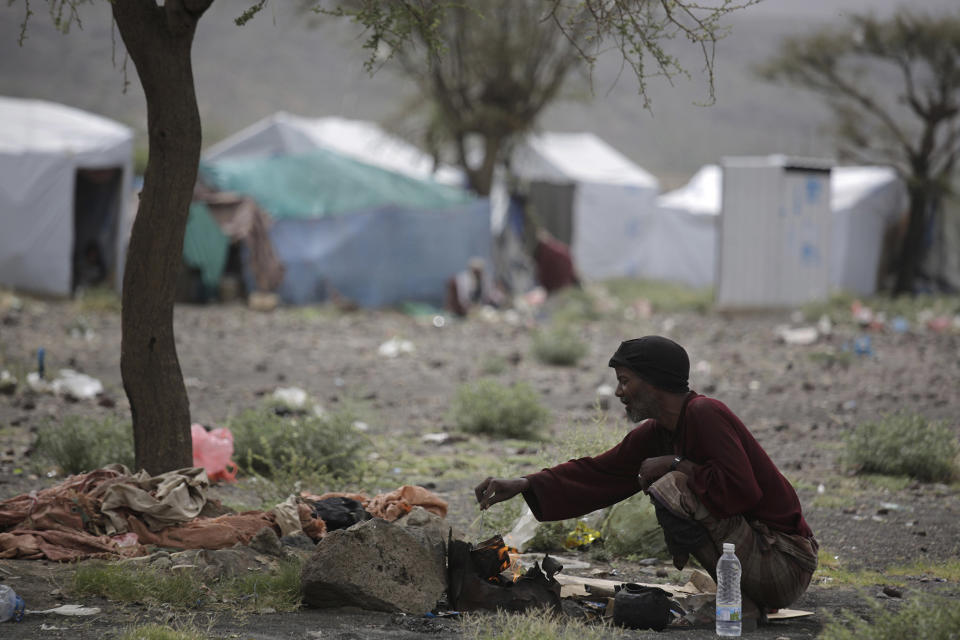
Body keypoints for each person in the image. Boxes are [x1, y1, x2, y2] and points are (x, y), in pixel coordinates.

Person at [474, 335, 818, 619]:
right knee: (668, 481)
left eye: (625, 381)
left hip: (784, 561)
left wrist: (676, 464)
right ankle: (742, 600)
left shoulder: (705, 413)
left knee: (669, 487)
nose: (619, 392)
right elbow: (599, 472)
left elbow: (742, 490)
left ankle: (741, 603)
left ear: (654, 383)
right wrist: (525, 483)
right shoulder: (658, 432)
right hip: (754, 559)